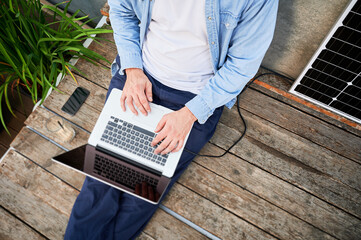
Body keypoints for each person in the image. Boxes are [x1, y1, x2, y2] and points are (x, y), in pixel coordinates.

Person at [64, 0, 278, 239]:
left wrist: (190, 114)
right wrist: (133, 71)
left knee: (143, 191)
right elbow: (121, 10)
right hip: (140, 77)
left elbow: (241, 67)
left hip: (196, 98)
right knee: (101, 180)